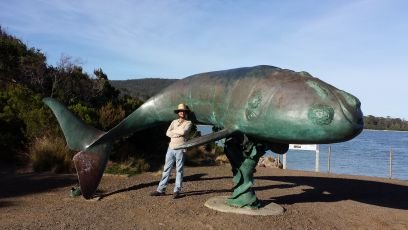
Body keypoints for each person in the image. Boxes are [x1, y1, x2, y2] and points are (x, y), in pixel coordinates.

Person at [150, 103, 193, 199]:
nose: (182, 112)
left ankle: (177, 191)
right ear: (178, 112)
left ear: (186, 113)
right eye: (180, 111)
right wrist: (177, 133)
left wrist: (174, 132)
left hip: (180, 148)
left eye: (184, 111)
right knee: (166, 169)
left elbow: (183, 132)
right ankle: (161, 190)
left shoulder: (188, 123)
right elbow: (167, 133)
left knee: (179, 170)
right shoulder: (174, 122)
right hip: (171, 148)